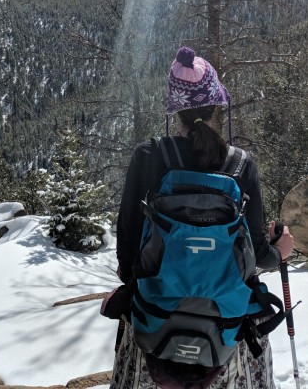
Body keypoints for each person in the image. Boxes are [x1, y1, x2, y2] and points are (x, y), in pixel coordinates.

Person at [110, 46, 294, 389]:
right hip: (225, 330)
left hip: (155, 319)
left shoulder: (149, 156)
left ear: (174, 110)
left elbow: (128, 247)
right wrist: (279, 251)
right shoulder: (242, 165)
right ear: (217, 105)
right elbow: (256, 254)